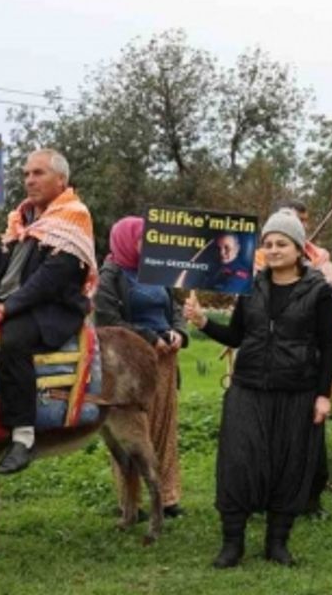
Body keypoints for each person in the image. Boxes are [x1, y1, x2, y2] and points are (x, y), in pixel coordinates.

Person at [184, 210, 332, 568]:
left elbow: (328, 347)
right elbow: (237, 336)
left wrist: (323, 395)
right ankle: (232, 544)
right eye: (267, 244)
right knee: (238, 463)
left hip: (296, 391)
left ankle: (277, 543)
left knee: (289, 465)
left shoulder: (318, 292)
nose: (273, 249)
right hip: (248, 387)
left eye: (281, 243)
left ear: (299, 249)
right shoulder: (249, 286)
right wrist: (203, 321)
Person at [0, 148, 97, 474]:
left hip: (52, 310)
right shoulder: (24, 218)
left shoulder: (73, 215)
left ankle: (23, 436)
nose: (29, 180)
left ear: (61, 180)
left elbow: (51, 278)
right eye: (26, 173)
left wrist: (7, 307)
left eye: (38, 173)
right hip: (22, 304)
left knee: (13, 340)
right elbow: (6, 266)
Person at [256, 200, 332, 519]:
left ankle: (311, 501)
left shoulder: (319, 259)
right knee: (265, 432)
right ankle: (267, 498)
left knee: (308, 434)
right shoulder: (259, 259)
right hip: (264, 361)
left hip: (305, 360)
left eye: (300, 220)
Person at [93, 215, 189, 519]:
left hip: (163, 361)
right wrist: (150, 337)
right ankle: (131, 501)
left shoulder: (156, 270)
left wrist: (178, 332)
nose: (146, 245)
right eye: (140, 239)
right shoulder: (110, 275)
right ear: (124, 240)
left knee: (163, 426)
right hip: (128, 365)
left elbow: (174, 310)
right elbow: (107, 320)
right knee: (132, 429)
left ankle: (168, 497)